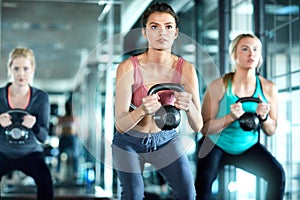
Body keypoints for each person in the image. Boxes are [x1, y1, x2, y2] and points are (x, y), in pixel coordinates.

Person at [112, 2, 203, 200]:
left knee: (188, 194)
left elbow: (198, 126)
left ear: (176, 33)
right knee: (134, 195)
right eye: (155, 27)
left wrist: (189, 108)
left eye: (168, 26)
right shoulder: (128, 68)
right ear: (145, 32)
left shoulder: (186, 69)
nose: (162, 32)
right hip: (129, 142)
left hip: (166, 140)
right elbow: (120, 125)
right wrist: (141, 110)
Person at [195, 33, 285, 200]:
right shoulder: (219, 86)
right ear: (234, 55)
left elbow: (271, 130)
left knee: (277, 175)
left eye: (255, 50)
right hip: (216, 145)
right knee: (203, 186)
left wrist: (264, 117)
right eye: (245, 49)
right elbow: (204, 128)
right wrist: (230, 117)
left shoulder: (269, 88)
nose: (251, 53)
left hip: (247, 146)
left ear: (260, 57)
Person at [0, 47, 54, 199]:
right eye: (16, 68)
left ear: (32, 69)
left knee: (46, 183)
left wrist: (35, 126)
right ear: (10, 69)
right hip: (2, 152)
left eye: (25, 68)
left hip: (30, 153)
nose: (21, 74)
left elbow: (44, 137)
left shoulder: (41, 98)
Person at [55, 98, 80, 180]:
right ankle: (58, 173)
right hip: (64, 137)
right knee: (59, 155)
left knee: (75, 155)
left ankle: (75, 173)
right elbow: (57, 128)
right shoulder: (62, 118)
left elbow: (78, 129)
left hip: (72, 137)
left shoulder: (74, 118)